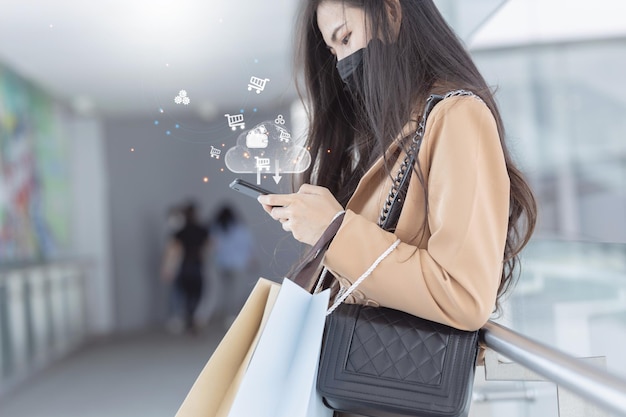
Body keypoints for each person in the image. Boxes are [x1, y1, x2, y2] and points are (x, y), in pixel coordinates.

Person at [258, 2, 536, 413]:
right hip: (362, 393)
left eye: (346, 38)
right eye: (333, 52)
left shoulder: (458, 116)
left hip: (396, 394)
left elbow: (463, 294)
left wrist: (335, 230)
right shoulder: (395, 137)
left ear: (390, 14)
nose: (342, 64)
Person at [161, 201, 209, 334]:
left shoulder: (179, 232)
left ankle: (187, 317)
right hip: (197, 265)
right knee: (197, 294)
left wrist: (167, 267)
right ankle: (192, 317)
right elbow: (209, 246)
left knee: (185, 294)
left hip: (184, 266)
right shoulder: (202, 230)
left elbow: (173, 250)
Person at [210, 204, 256, 325]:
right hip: (238, 264)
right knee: (237, 292)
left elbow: (213, 247)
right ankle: (232, 315)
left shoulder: (216, 228)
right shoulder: (240, 228)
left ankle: (225, 314)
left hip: (222, 264)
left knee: (225, 291)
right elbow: (248, 245)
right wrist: (251, 260)